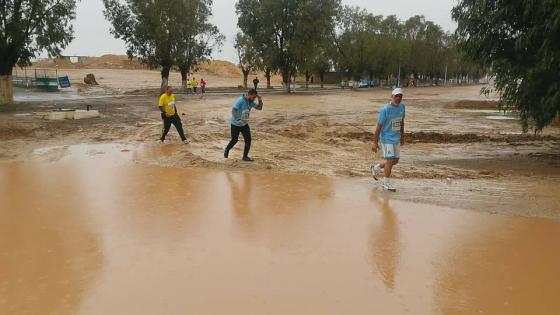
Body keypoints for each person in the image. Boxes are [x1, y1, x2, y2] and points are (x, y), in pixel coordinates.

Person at [371, 87, 406, 192]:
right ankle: (386, 184)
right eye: (396, 96)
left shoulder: (402, 107)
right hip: (386, 139)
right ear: (392, 96)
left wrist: (402, 135)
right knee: (390, 160)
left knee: (395, 161)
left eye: (400, 96)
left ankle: (376, 167)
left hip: (396, 138)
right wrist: (374, 142)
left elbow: (401, 121)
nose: (398, 98)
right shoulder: (385, 109)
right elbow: (378, 127)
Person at [224, 88, 263, 162]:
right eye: (253, 97)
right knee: (234, 140)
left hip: (244, 124)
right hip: (235, 124)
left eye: (255, 97)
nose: (254, 99)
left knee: (248, 140)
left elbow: (259, 108)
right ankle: (227, 149)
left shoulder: (250, 102)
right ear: (249, 95)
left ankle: (245, 157)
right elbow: (234, 110)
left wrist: (260, 99)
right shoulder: (240, 100)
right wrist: (238, 120)